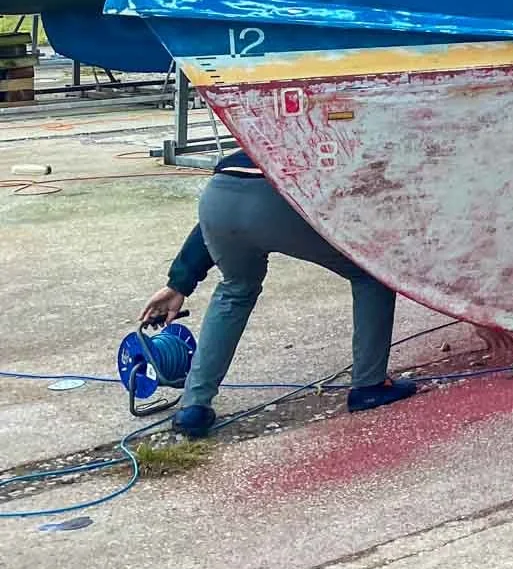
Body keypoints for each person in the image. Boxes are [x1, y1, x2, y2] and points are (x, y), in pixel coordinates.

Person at [139, 149, 417, 438]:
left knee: (236, 289)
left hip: (218, 195)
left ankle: (193, 407)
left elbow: (233, 210)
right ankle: (369, 385)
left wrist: (179, 283)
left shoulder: (270, 136)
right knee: (371, 274)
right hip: (275, 195)